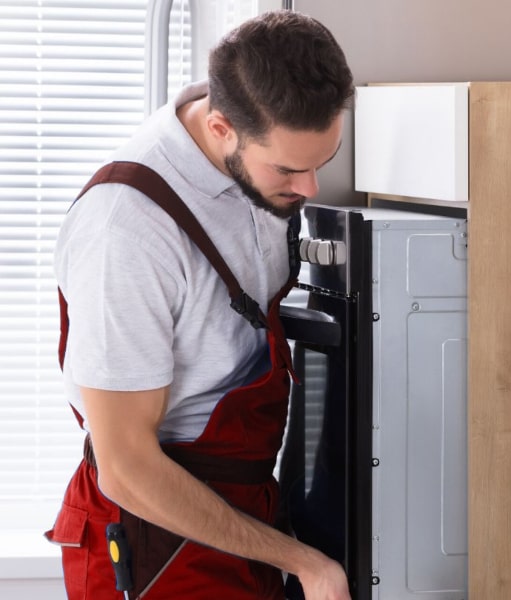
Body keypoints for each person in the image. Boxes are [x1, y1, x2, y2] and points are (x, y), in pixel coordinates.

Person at [45, 10, 354, 600]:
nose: (311, 188)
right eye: (290, 169)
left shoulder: (254, 161)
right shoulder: (128, 231)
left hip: (241, 517)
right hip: (154, 538)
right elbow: (127, 468)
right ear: (219, 129)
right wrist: (305, 562)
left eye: (323, 161)